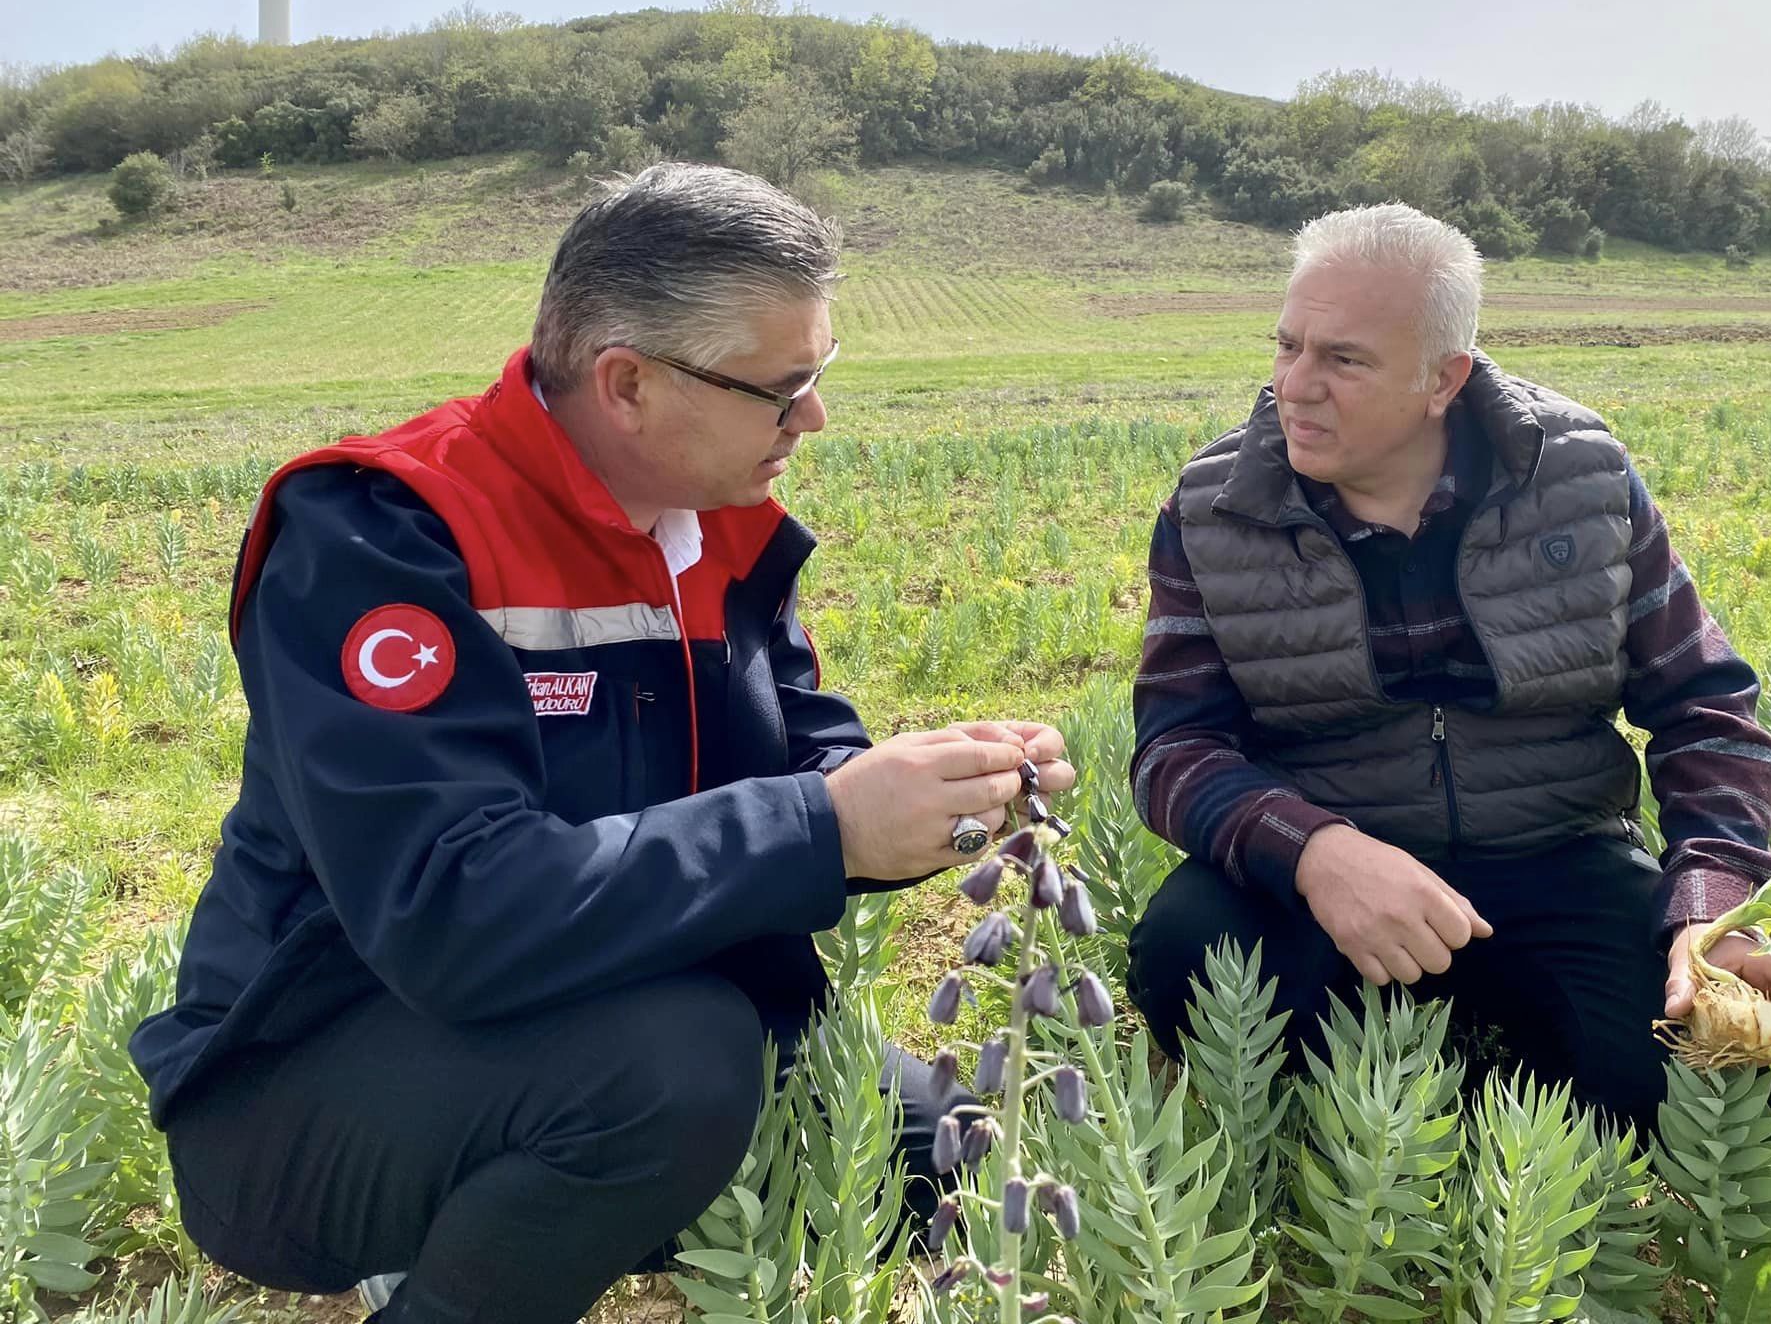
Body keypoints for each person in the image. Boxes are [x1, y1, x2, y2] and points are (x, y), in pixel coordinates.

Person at [129, 162, 1073, 1324]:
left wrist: (940, 793)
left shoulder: (712, 527)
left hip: (623, 1008)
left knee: (954, 1161)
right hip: (317, 1078)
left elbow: (807, 759)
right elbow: (450, 910)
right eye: (784, 387)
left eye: (817, 377)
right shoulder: (385, 536)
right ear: (626, 383)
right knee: (673, 1070)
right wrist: (825, 826)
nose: (813, 418)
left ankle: (549, 1190)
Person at [1123, 201, 1771, 1129]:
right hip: (1336, 854)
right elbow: (1176, 747)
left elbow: (1703, 703)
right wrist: (1317, 854)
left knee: (1695, 1075)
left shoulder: (1581, 479)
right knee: (1188, 962)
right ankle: (1413, 1041)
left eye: (1343, 359)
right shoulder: (1214, 510)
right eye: (1287, 345)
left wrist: (1714, 908)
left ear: (1442, 378)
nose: (1294, 386)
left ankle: (1512, 1029)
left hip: (1553, 846)